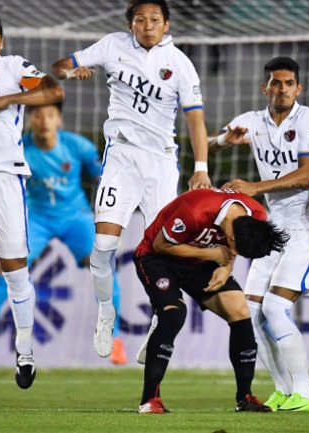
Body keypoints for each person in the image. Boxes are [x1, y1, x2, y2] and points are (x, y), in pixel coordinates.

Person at [51, 0, 212, 359]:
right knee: (104, 246)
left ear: (166, 25)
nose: (148, 25)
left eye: (155, 19)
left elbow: (196, 121)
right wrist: (68, 72)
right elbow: (60, 65)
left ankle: (159, 313)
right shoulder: (112, 46)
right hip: (121, 158)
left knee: (160, 249)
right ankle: (106, 311)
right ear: (131, 25)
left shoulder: (180, 65)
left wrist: (200, 166)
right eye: (141, 20)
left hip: (160, 165)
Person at [207, 56, 309, 411]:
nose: (282, 89)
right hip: (273, 227)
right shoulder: (251, 121)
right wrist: (225, 141)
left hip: (307, 225)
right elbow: (214, 143)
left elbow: (308, 175)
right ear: (265, 88)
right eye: (275, 83)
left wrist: (255, 187)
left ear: (298, 88)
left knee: (275, 308)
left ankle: (305, 393)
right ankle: (284, 389)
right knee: (251, 312)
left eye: (288, 83)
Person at [0, 103, 127, 366]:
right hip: (36, 219)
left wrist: (112, 217)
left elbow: (105, 179)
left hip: (75, 217)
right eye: (38, 114)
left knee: (103, 268)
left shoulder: (78, 147)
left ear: (59, 119)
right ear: (29, 119)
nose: (44, 120)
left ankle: (113, 339)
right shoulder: (17, 148)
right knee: (5, 269)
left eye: (50, 115)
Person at [0, 9, 65, 387]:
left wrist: (6, 99)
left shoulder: (11, 67)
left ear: (2, 42)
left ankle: (24, 353)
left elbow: (54, 91)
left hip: (4, 177)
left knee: (14, 270)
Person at [133, 188, 288, 414]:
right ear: (231, 238)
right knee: (174, 313)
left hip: (200, 261)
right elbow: (160, 245)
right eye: (236, 248)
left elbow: (230, 251)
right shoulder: (195, 212)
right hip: (158, 258)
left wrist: (226, 267)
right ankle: (150, 400)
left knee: (239, 309)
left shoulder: (255, 217)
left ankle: (245, 398)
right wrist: (213, 255)